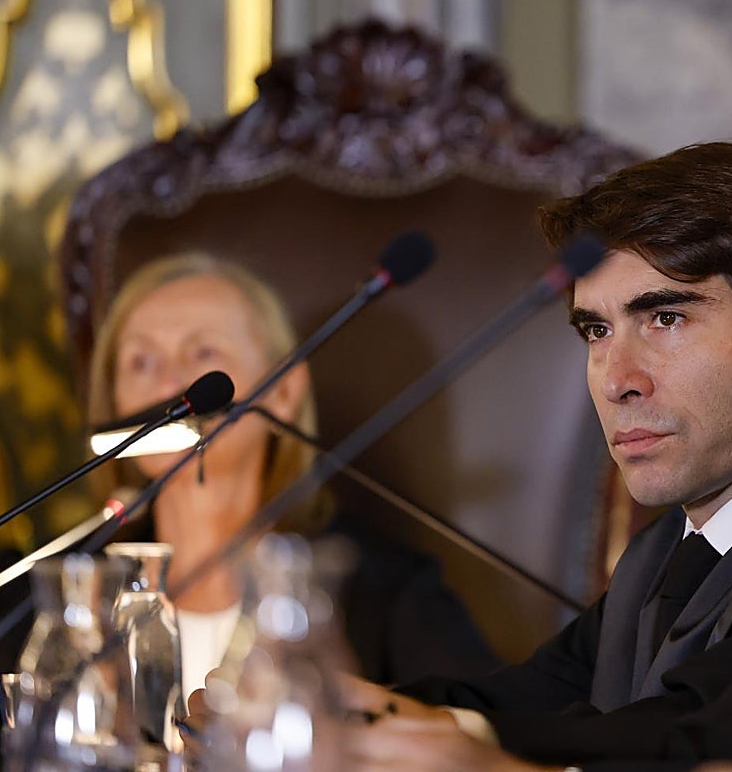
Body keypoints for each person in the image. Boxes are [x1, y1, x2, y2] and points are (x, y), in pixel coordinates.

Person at [341, 141, 732, 771]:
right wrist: (341, 712)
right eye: (597, 331)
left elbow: (693, 736)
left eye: (665, 318)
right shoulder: (665, 549)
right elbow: (523, 702)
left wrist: (456, 749)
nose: (616, 380)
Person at [88, 252, 499, 694]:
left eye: (203, 352)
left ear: (283, 391)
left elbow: (480, 737)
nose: (168, 386)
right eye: (141, 362)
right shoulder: (66, 596)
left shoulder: (386, 592)